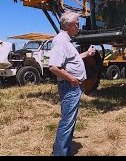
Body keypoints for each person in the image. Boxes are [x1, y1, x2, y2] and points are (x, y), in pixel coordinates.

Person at [49, 10, 95, 156]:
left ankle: (65, 150)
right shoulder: (61, 41)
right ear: (69, 25)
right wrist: (72, 79)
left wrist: (86, 54)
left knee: (70, 120)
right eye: (76, 24)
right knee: (67, 121)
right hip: (70, 86)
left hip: (72, 86)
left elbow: (70, 60)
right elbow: (54, 67)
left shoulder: (67, 41)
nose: (78, 27)